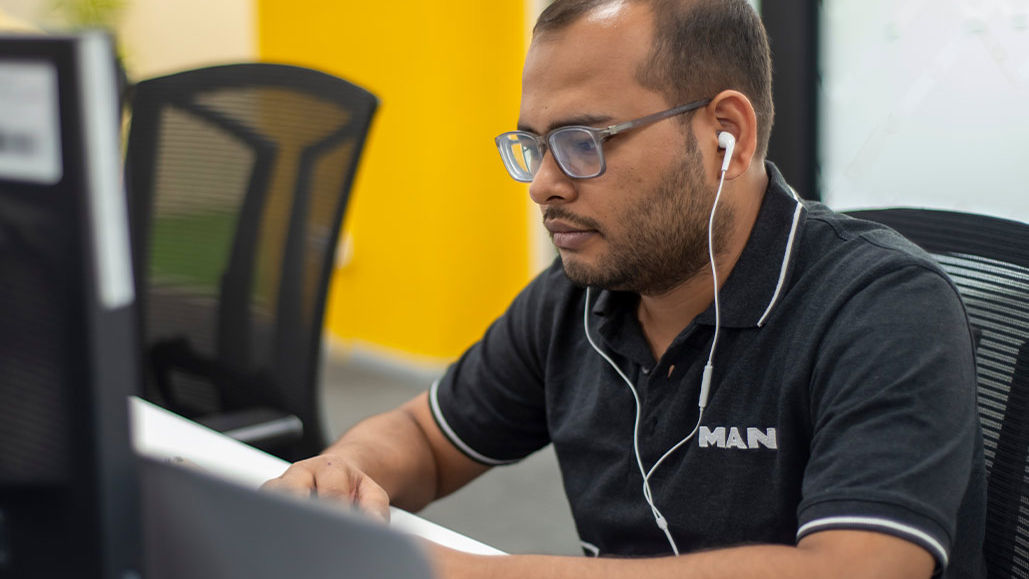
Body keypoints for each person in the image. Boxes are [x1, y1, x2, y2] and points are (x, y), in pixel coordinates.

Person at [265, 0, 986, 577]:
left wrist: (455, 570)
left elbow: (856, 567)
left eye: (583, 142)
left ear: (723, 135)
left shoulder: (884, 306)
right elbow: (424, 435)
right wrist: (344, 474)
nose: (544, 184)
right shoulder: (579, 296)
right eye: (533, 146)